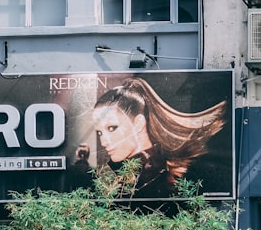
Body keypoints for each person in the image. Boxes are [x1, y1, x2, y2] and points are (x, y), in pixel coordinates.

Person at [92, 77, 226, 198]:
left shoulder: (167, 177)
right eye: (100, 132)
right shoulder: (121, 178)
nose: (103, 142)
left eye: (112, 128)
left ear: (138, 123)